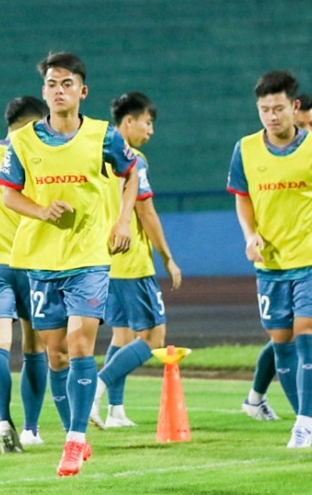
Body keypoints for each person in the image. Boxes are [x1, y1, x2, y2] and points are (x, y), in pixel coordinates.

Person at [0, 52, 138, 477]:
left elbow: (131, 173)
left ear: (82, 91)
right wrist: (42, 211)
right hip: (41, 260)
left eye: (67, 84)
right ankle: (74, 432)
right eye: (52, 84)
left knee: (79, 345)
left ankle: (74, 440)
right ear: (44, 92)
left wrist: (122, 220)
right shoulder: (24, 141)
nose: (59, 91)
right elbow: (8, 194)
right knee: (55, 354)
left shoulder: (103, 136)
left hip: (89, 257)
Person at [227, 70, 312, 448]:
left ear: (294, 106)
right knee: (282, 342)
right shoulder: (245, 149)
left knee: (308, 335)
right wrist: (249, 235)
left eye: (278, 108)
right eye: (264, 109)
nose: (271, 116)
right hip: (270, 265)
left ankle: (301, 423)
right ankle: (309, 417)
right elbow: (243, 198)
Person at [89, 92, 183, 429]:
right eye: (147, 122)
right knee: (154, 338)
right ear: (128, 122)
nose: (150, 130)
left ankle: (115, 411)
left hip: (106, 259)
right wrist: (168, 258)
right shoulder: (134, 160)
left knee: (122, 336)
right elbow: (147, 212)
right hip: (132, 261)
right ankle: (97, 387)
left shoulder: (96, 152)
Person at [0, 96, 50, 453]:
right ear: (32, 125)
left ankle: (1, 420)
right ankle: (31, 429)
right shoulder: (37, 157)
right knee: (35, 346)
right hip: (33, 263)